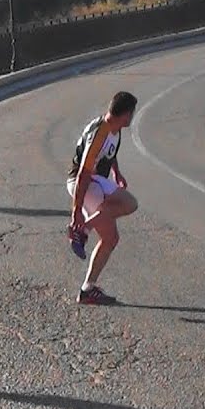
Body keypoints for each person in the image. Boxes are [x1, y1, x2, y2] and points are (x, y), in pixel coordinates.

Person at [66, 90, 139, 305]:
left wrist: (116, 173)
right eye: (132, 113)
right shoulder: (101, 132)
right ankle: (82, 230)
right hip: (86, 183)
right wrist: (76, 212)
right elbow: (83, 173)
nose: (132, 117)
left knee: (110, 238)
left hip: (96, 182)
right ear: (125, 114)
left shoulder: (114, 128)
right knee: (130, 203)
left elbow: (110, 153)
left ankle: (87, 289)